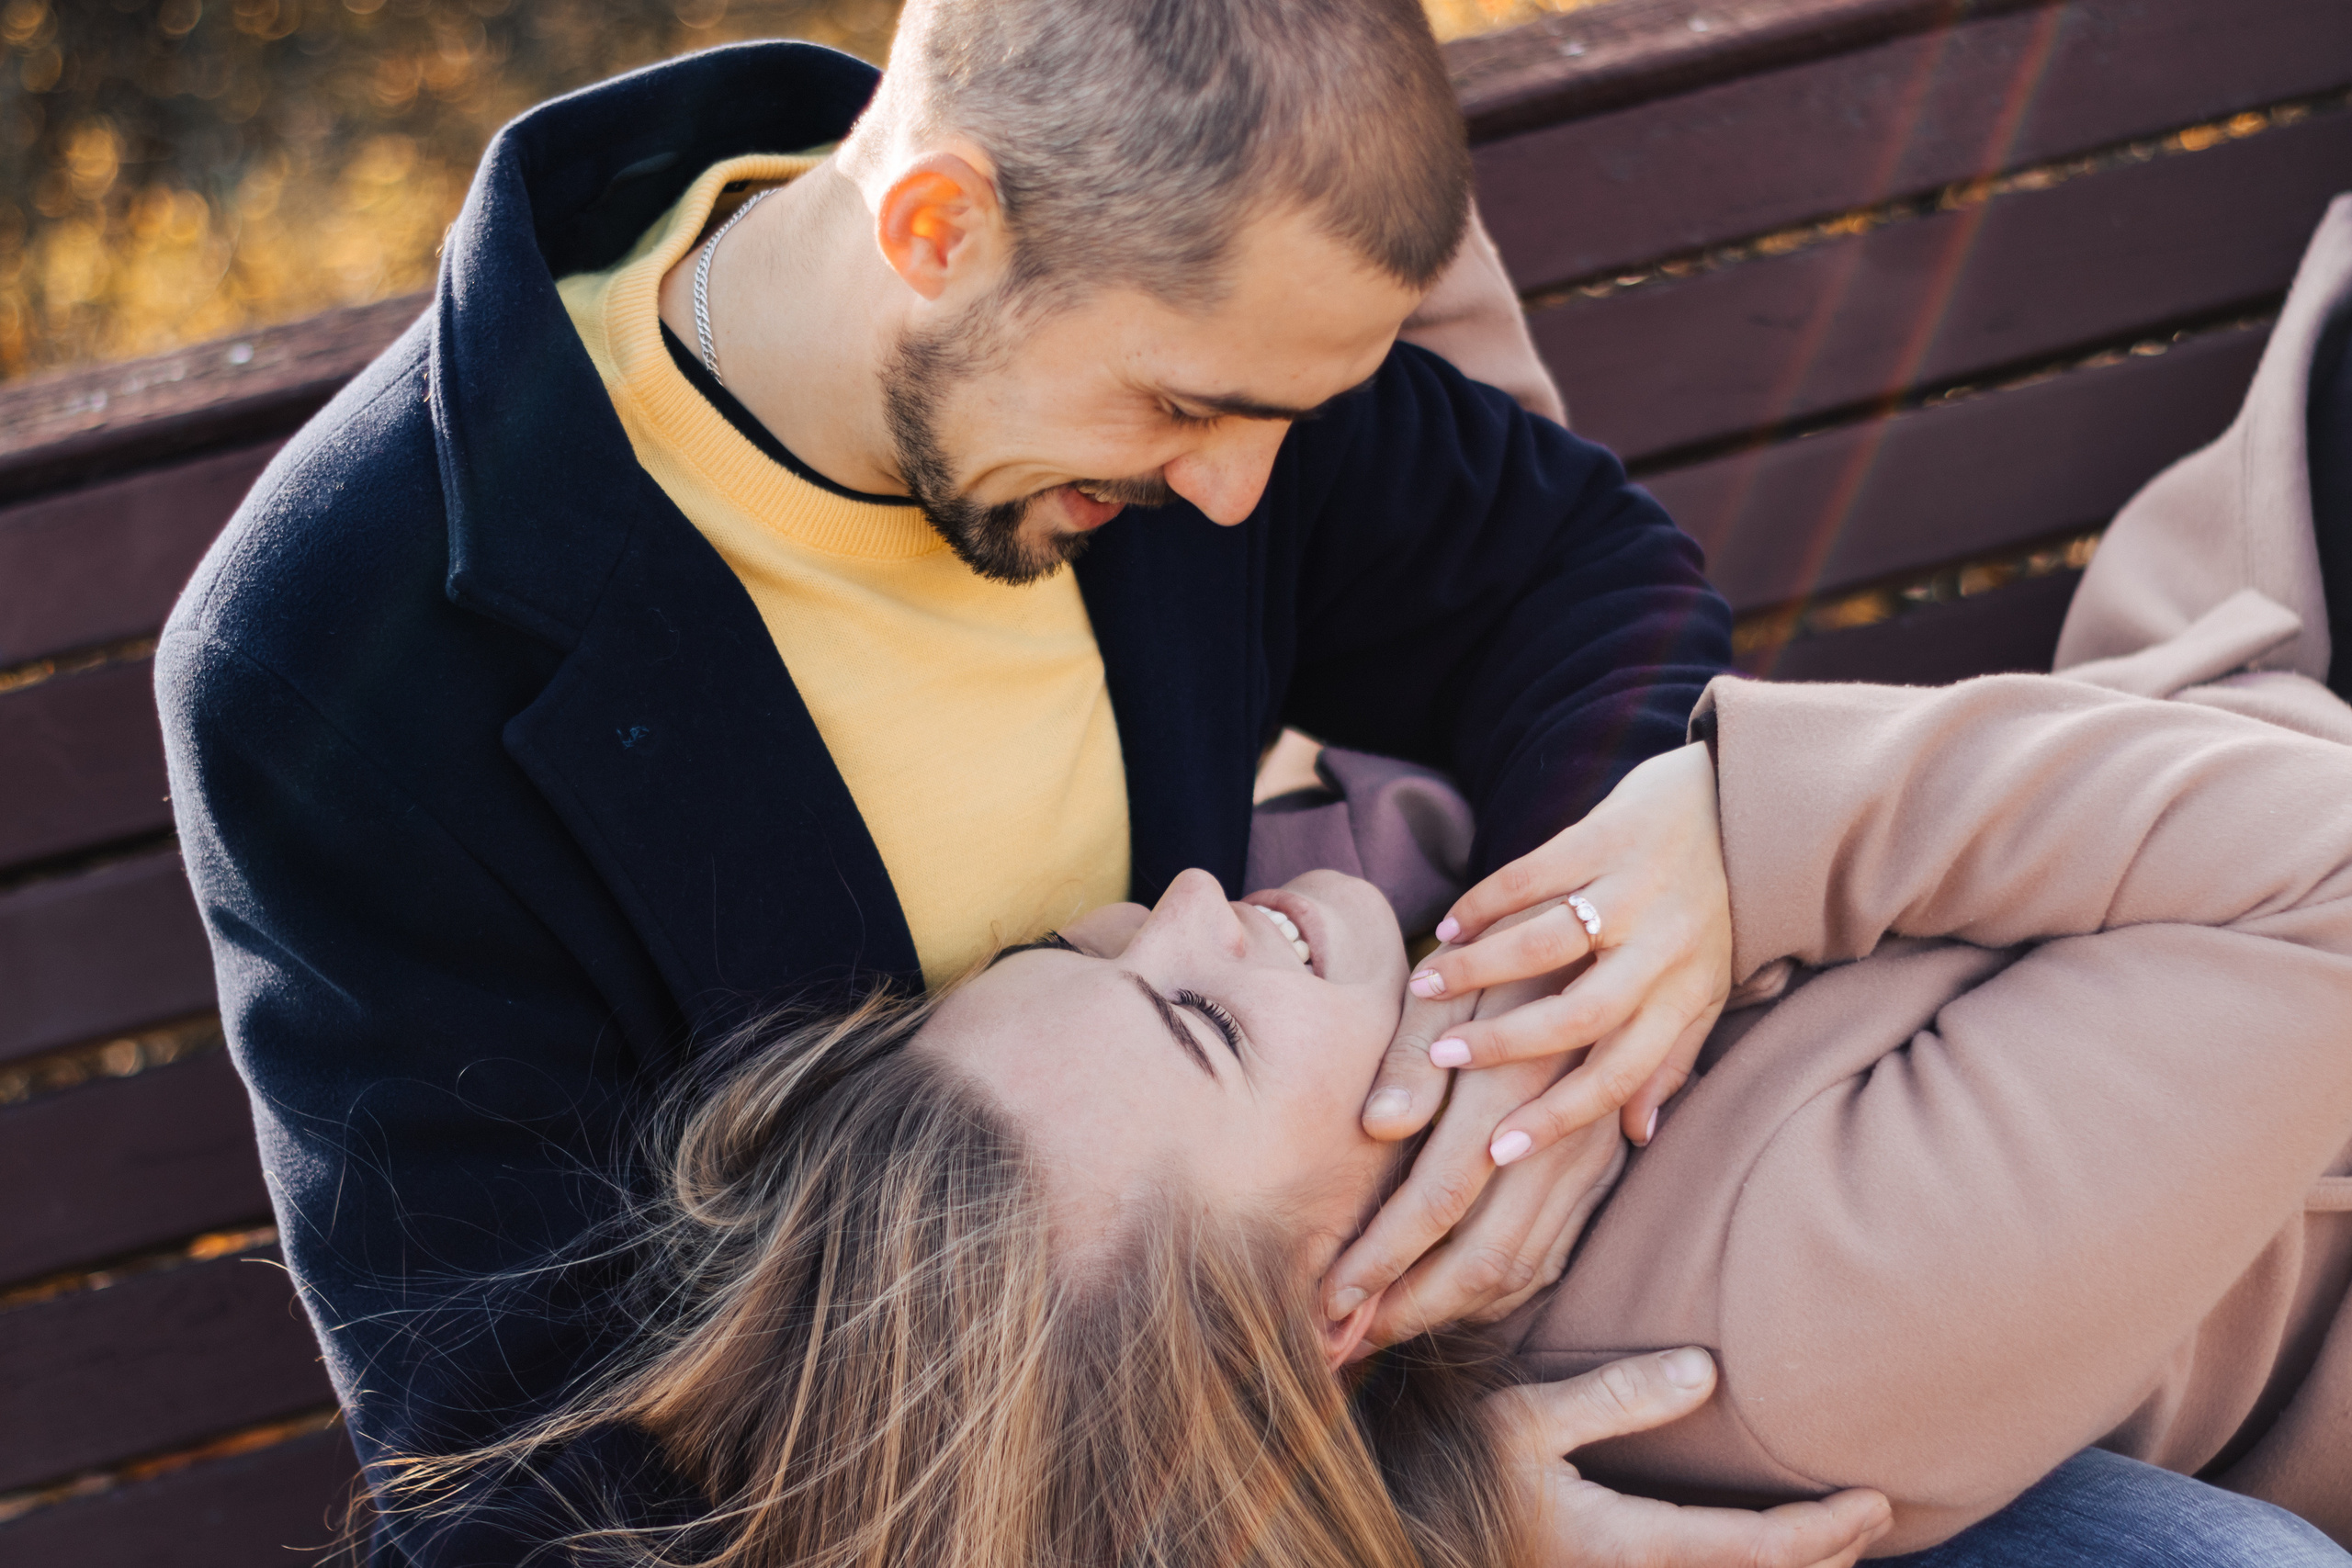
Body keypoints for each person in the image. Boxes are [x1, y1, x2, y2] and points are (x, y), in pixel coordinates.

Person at [381, 200, 2352, 1567]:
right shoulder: (1796, 1321)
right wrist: (1741, 839)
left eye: (1076, 941)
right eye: (1188, 1012)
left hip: (2212, 674)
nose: (1180, 899)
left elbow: (1444, 508)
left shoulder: (1365, 1024)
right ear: (1329, 1315)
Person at [154, 1, 1825, 1562]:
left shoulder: (1191, 305)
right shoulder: (334, 659)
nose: (1240, 497)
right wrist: (1402, 1524)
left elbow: (1571, 575)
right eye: (1185, 410)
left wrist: (1626, 866)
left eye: (1281, 420)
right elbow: (526, 1487)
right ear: (938, 229)